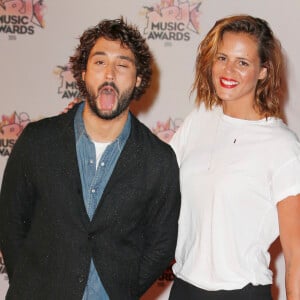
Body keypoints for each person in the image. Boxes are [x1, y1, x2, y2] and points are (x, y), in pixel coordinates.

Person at [0, 17, 181, 300]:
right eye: (99, 62)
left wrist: (121, 288)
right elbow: (10, 221)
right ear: (83, 73)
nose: (110, 74)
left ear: (138, 80)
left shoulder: (159, 159)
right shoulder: (37, 140)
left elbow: (161, 244)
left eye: (122, 65)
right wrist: (29, 283)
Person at [168, 15, 300, 300]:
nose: (228, 70)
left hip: (242, 293)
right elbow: (153, 179)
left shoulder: (282, 146)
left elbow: (296, 255)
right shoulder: (198, 121)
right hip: (184, 288)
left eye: (243, 62)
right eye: (222, 57)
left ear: (263, 71)